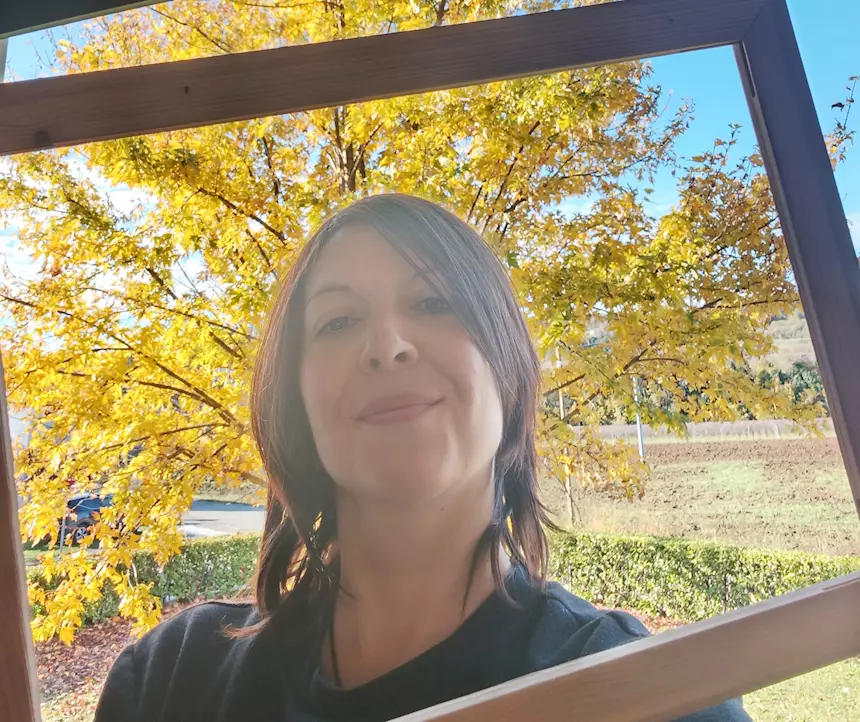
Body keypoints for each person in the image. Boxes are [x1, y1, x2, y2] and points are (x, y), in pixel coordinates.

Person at [94, 194, 751, 722]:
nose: (387, 345)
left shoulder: (651, 698)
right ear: (294, 402)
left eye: (434, 302)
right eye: (337, 322)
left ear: (508, 371)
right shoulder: (169, 682)